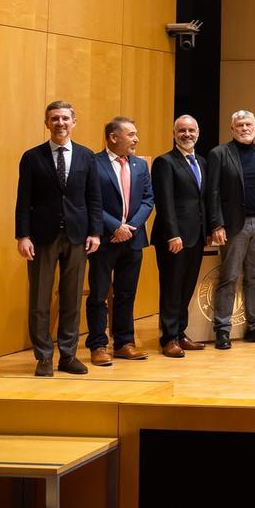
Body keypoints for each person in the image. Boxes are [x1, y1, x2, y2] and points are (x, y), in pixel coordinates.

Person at [16, 101, 102, 376]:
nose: (60, 123)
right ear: (47, 123)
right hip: (41, 237)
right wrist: (23, 236)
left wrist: (95, 232)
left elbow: (94, 199)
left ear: (74, 122)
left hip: (77, 235)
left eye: (65, 118)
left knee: (72, 298)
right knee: (40, 299)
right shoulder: (32, 157)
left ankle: (68, 355)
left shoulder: (87, 157)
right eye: (55, 119)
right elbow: (23, 200)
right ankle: (43, 357)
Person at [206, 110, 255, 349]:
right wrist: (216, 224)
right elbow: (212, 192)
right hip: (234, 225)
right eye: (240, 125)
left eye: (248, 125)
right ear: (232, 128)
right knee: (229, 277)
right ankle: (222, 330)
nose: (244, 128)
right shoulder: (219, 154)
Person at [87, 116, 154, 365]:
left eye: (136, 134)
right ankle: (98, 345)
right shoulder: (94, 163)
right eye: (131, 134)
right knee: (99, 294)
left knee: (127, 293)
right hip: (104, 239)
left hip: (133, 239)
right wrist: (116, 226)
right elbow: (90, 201)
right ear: (113, 137)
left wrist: (131, 227)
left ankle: (124, 343)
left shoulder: (139, 165)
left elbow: (148, 199)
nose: (136, 138)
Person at [151, 115, 209, 358]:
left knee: (186, 288)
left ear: (198, 132)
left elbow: (201, 200)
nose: (187, 134)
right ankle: (168, 338)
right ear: (174, 134)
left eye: (191, 130)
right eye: (182, 130)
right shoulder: (165, 162)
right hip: (173, 238)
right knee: (171, 287)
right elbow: (164, 202)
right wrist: (173, 234)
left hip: (196, 235)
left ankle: (180, 333)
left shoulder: (202, 162)